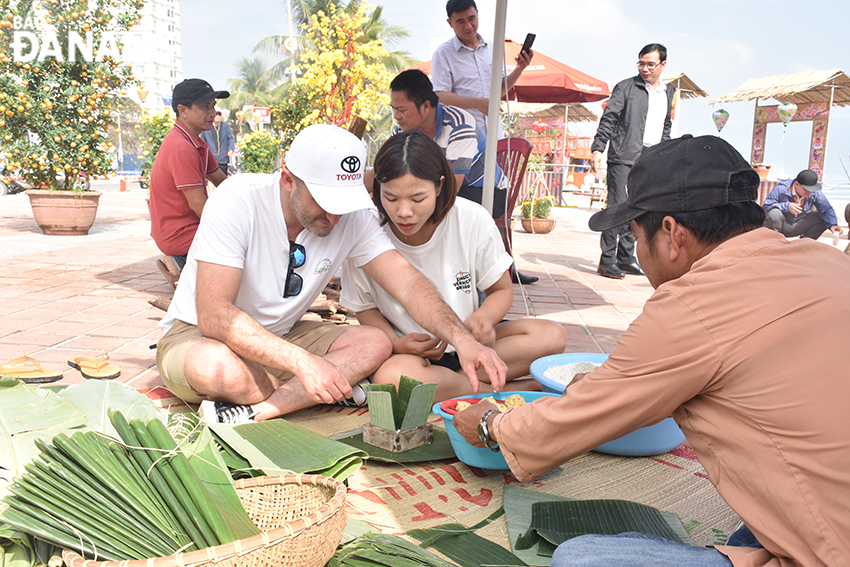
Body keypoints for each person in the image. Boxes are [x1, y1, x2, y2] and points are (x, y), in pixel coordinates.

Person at [454, 134, 850, 566]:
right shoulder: (828, 261)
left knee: (581, 558)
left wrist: (492, 423)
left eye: (637, 238)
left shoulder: (694, 303)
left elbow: (564, 426)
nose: (639, 255)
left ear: (671, 234)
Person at [155, 124, 507, 424]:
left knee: (376, 341)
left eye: (344, 202)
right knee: (216, 367)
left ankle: (265, 407)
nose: (335, 218)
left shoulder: (354, 217)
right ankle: (323, 390)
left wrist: (463, 340)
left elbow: (408, 282)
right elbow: (215, 316)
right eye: (325, 202)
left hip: (284, 334)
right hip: (198, 334)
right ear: (289, 179)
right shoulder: (237, 200)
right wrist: (305, 364)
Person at [342, 131, 565, 401]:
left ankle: (450, 387)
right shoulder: (366, 231)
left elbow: (501, 290)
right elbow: (364, 307)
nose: (404, 212)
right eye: (391, 198)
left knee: (552, 336)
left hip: (473, 343)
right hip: (414, 357)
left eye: (417, 199)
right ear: (377, 188)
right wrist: (397, 342)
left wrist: (483, 319)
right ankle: (505, 390)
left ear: (439, 186)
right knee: (394, 379)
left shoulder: (471, 219)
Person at [386, 69, 538, 285]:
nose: (396, 116)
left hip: (488, 192)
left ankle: (456, 279)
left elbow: (452, 188)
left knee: (435, 210)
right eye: (394, 109)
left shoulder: (459, 123)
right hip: (439, 189)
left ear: (426, 106)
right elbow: (391, 174)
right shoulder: (401, 130)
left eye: (401, 110)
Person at [590, 43, 676, 279]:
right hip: (623, 157)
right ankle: (606, 260)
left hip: (650, 159)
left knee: (638, 209)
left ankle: (626, 258)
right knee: (617, 208)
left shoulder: (669, 93)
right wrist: (598, 149)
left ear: (663, 65)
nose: (645, 69)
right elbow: (609, 119)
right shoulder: (626, 87)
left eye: (650, 64)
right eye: (641, 63)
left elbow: (666, 125)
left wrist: (664, 152)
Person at [149, 78, 229, 285]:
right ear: (183, 110)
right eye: (204, 107)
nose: (212, 113)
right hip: (179, 233)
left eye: (213, 106)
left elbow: (224, 183)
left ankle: (187, 269)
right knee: (242, 241)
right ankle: (184, 265)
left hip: (187, 227)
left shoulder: (196, 142)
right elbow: (198, 205)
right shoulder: (181, 147)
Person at [431, 0, 533, 138]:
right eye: (460, 21)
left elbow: (500, 89)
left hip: (495, 137)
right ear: (450, 23)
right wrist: (476, 103)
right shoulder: (443, 53)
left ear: (478, 14)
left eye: (471, 18)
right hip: (463, 138)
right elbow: (440, 95)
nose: (468, 26)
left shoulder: (494, 48)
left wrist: (520, 69)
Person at [762, 169, 843, 240]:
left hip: (798, 224)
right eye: (806, 189)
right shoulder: (781, 188)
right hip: (780, 225)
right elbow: (766, 206)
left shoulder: (815, 192)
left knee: (823, 218)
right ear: (797, 184)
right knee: (774, 213)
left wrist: (833, 225)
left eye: (812, 189)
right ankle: (775, 241)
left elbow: (826, 209)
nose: (810, 192)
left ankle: (804, 242)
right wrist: (786, 206)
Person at [200, 109, 236, 176]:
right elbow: (202, 142)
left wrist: (231, 149)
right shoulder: (206, 127)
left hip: (223, 159)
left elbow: (231, 138)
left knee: (222, 178)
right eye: (216, 114)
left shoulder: (226, 127)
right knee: (211, 178)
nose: (218, 116)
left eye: (219, 114)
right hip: (211, 158)